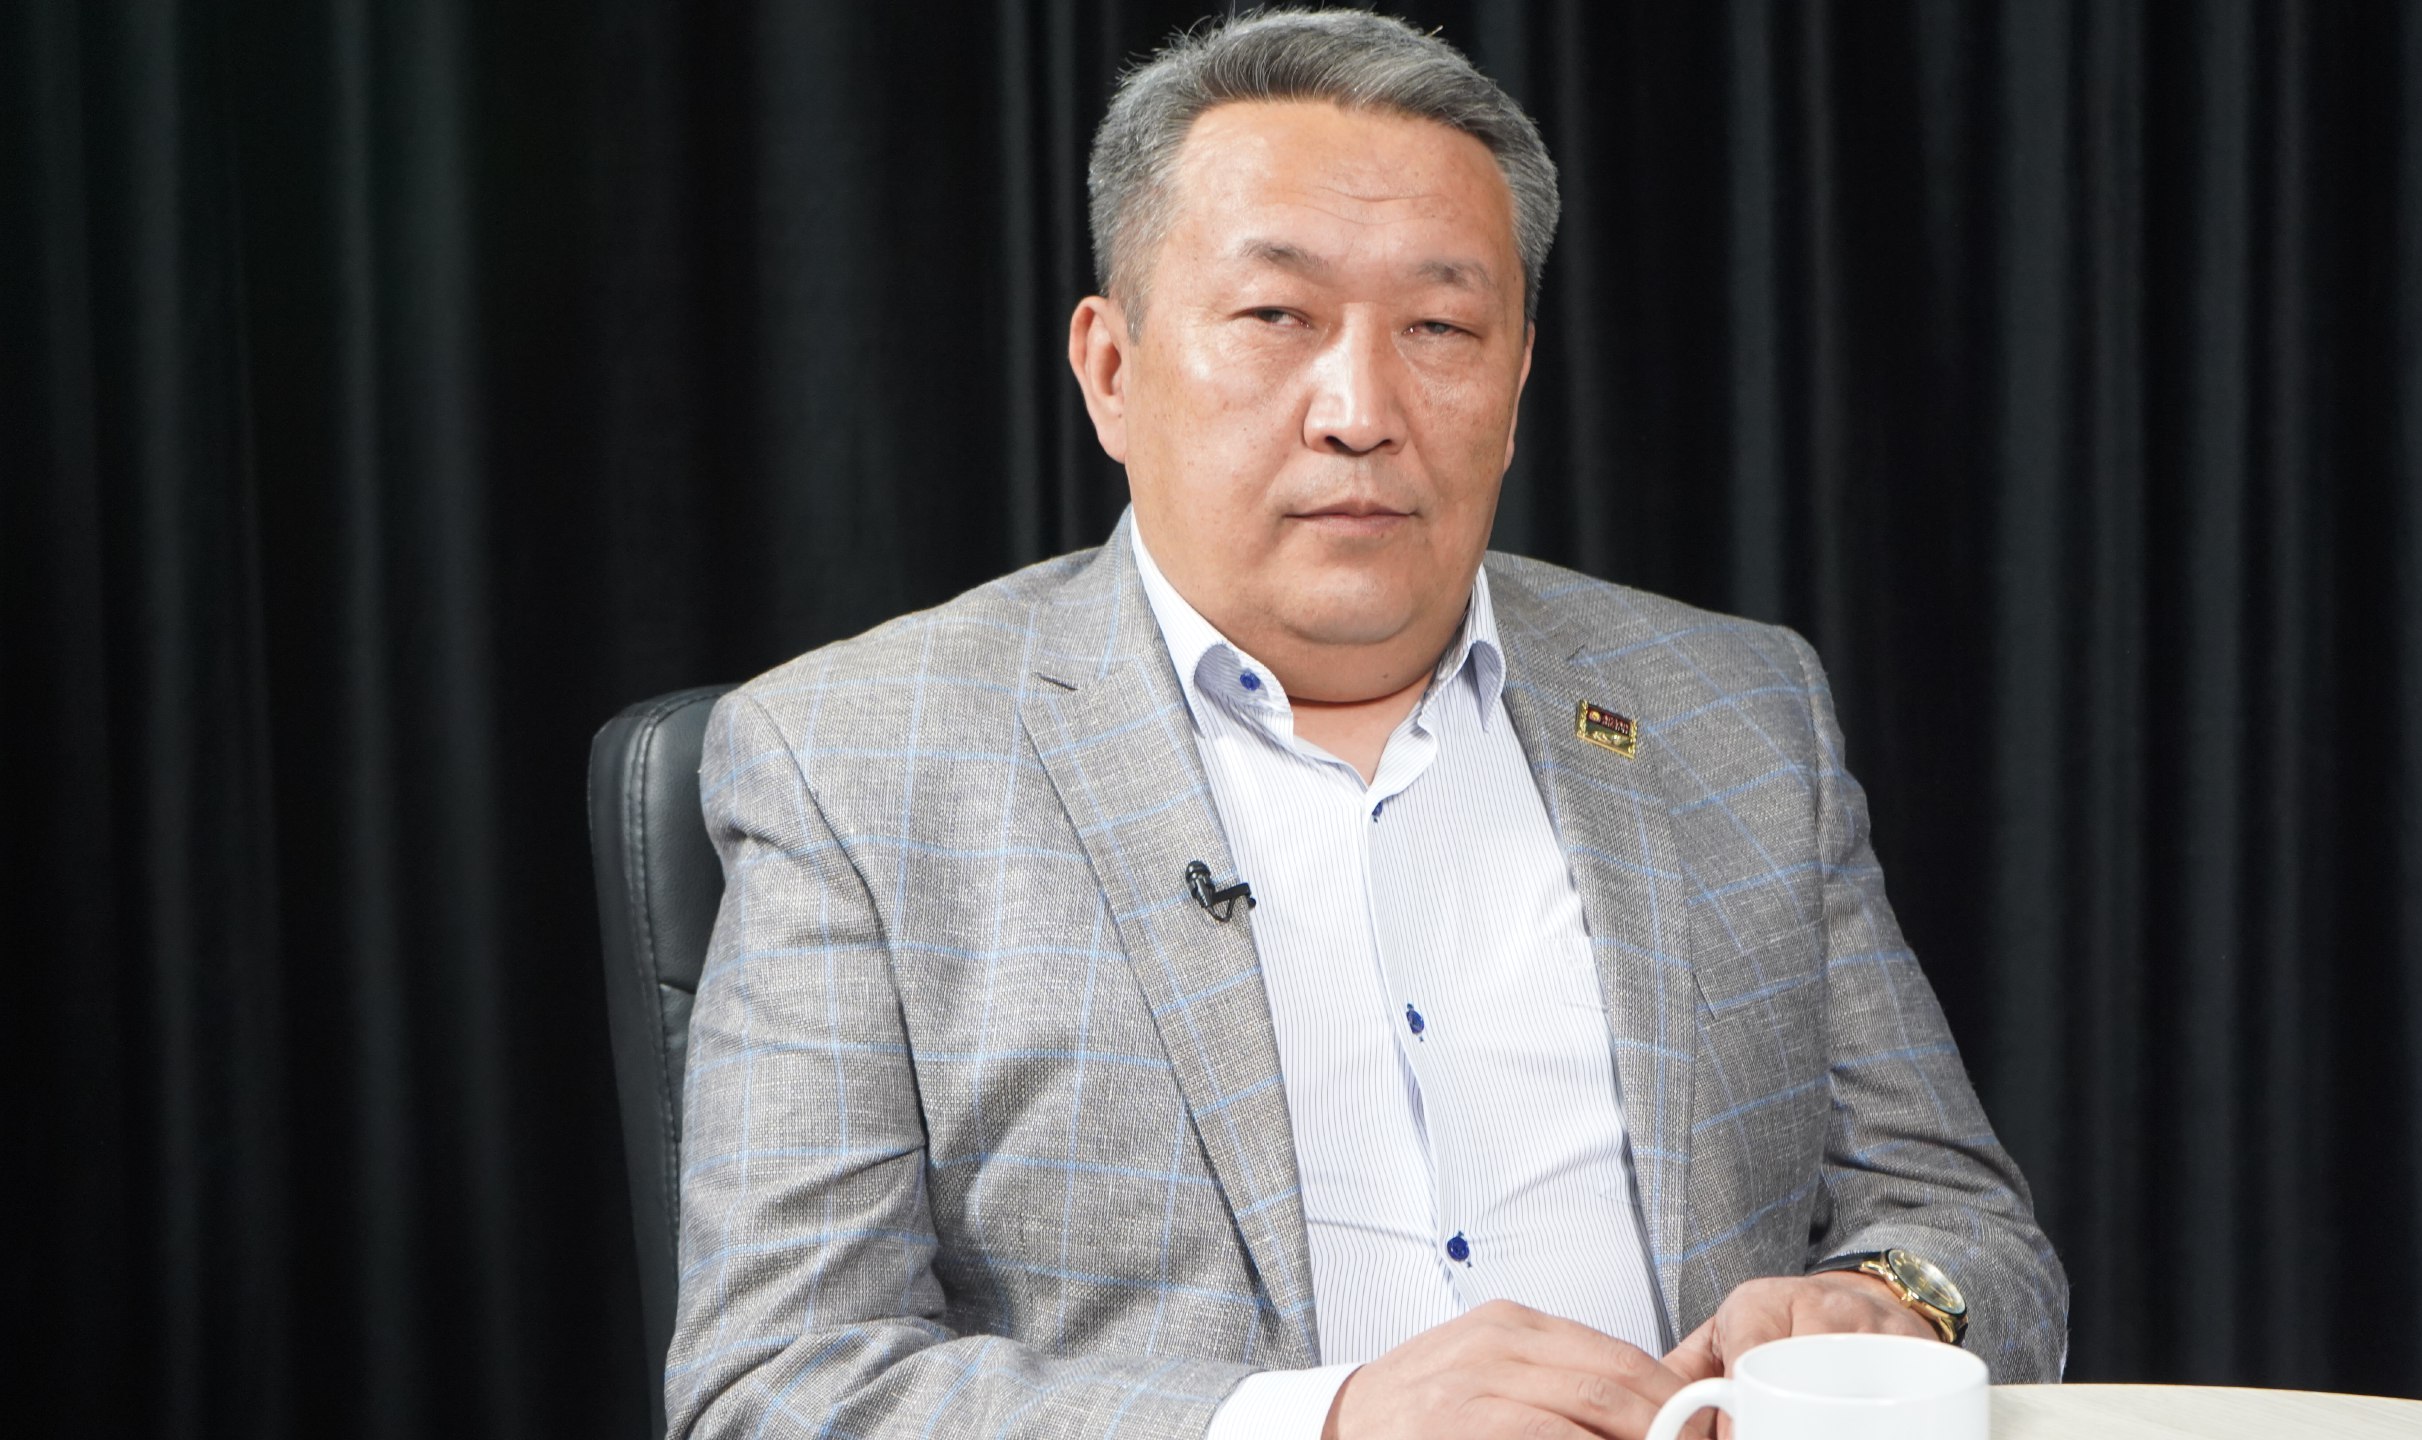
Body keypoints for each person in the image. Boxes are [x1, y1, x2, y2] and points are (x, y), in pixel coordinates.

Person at [667, 11, 2066, 1439]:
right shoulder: (854, 762)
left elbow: (1962, 1227)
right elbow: (774, 1386)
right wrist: (1322, 1423)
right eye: (1277, 317)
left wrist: (1888, 1309)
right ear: (1113, 370)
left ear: (1514, 387)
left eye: (1441, 328)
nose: (1359, 410)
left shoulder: (1733, 707)